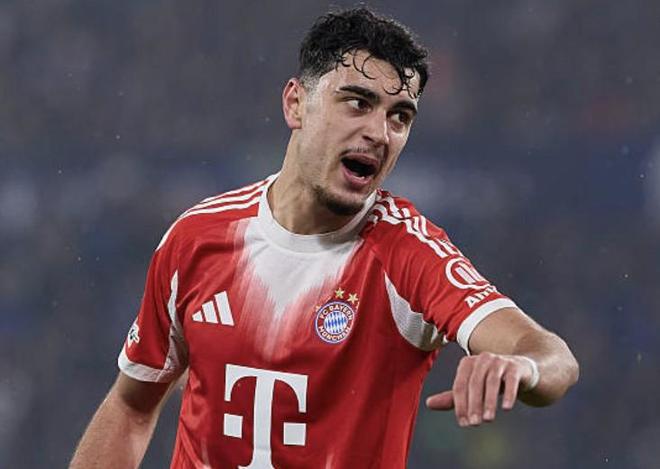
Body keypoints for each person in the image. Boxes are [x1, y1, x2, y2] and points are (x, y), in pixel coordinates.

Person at [70, 7, 579, 469]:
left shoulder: (407, 253)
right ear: (296, 104)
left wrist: (522, 367)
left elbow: (552, 357)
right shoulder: (197, 238)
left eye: (399, 116)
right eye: (358, 103)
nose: (380, 132)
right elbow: (131, 406)